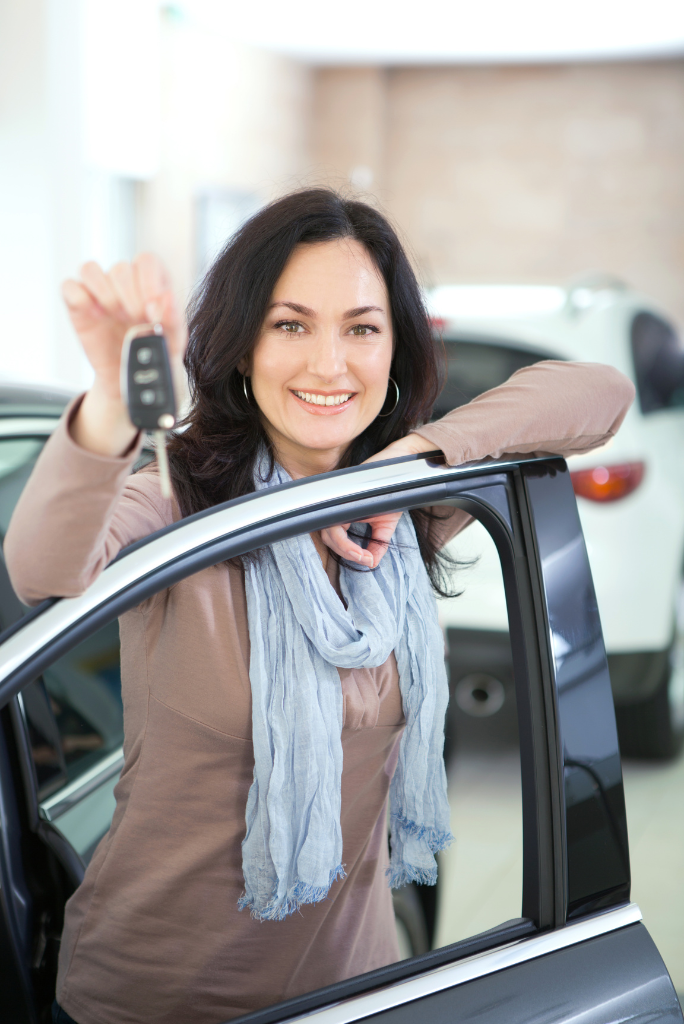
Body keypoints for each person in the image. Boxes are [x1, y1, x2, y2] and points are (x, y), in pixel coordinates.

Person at [5, 188, 635, 1024]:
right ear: (240, 348)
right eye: (290, 324)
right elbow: (42, 568)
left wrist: (407, 461)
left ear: (394, 348)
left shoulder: (408, 510)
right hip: (154, 997)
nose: (329, 365)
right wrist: (115, 404)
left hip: (355, 987)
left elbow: (599, 393)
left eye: (362, 328)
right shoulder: (180, 503)